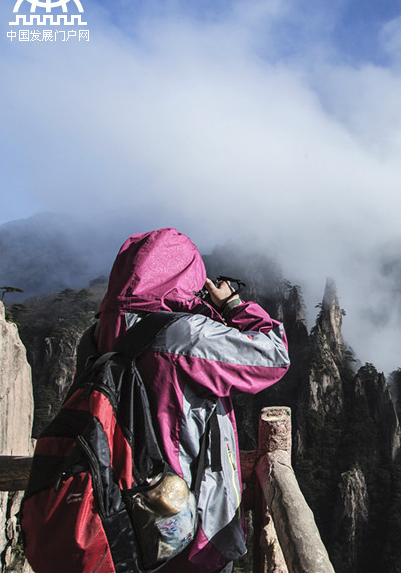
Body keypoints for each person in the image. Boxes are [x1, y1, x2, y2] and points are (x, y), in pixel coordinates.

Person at [85, 227, 290, 573]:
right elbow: (274, 356)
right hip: (181, 526)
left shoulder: (96, 336)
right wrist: (231, 305)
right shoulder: (185, 336)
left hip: (114, 517)